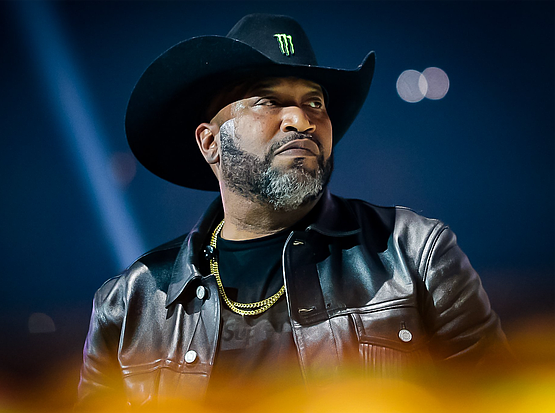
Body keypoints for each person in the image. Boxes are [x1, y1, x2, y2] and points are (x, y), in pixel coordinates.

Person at [77, 13, 510, 409]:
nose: (301, 120)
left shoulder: (415, 252)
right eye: (267, 100)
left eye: (315, 102)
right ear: (210, 143)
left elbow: (499, 399)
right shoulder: (130, 303)